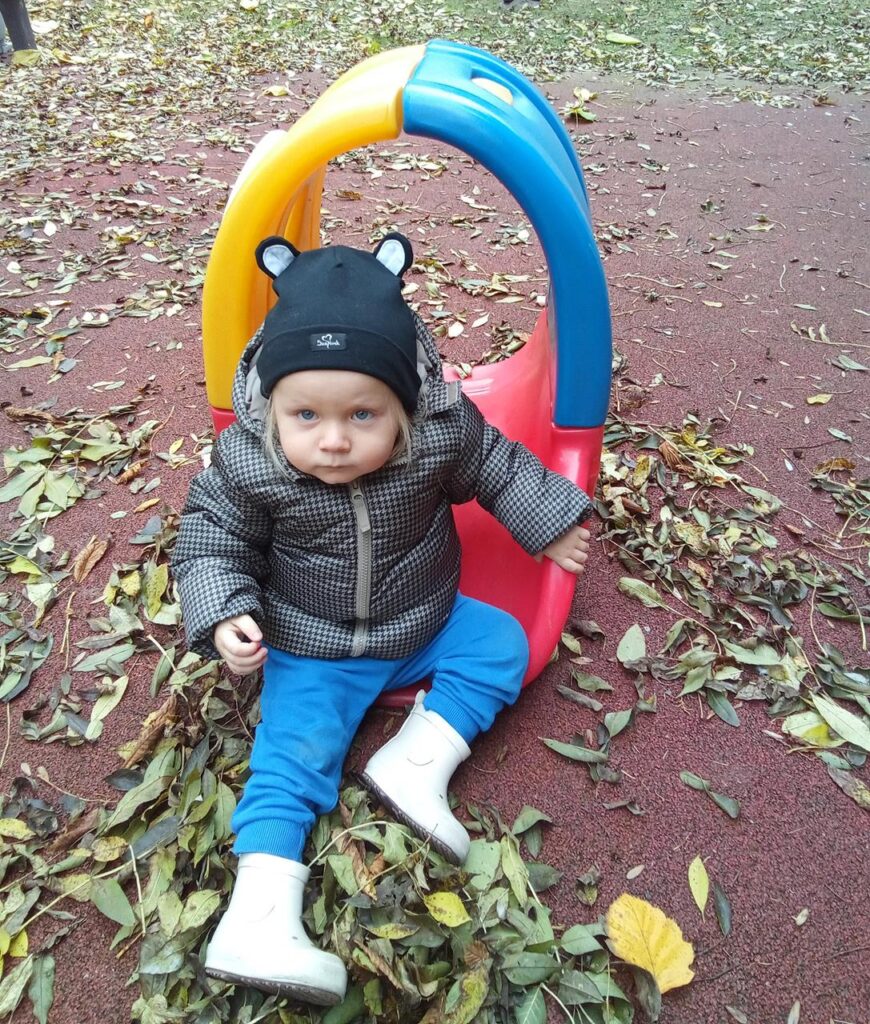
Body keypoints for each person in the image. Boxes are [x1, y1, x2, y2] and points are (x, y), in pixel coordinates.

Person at [172, 232, 593, 1005]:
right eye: (306, 414)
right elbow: (210, 539)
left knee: (501, 642)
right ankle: (257, 917)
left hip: (422, 619)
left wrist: (550, 520)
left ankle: (418, 761)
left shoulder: (437, 433)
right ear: (273, 406)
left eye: (363, 414)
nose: (333, 440)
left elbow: (496, 464)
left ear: (403, 406)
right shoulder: (252, 461)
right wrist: (225, 612)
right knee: (292, 757)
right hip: (313, 642)